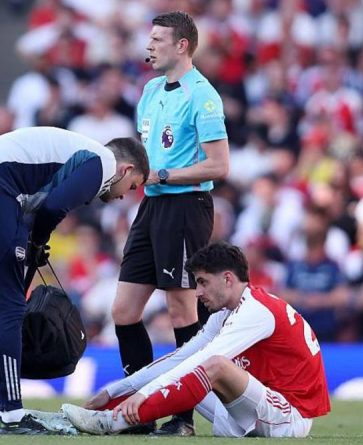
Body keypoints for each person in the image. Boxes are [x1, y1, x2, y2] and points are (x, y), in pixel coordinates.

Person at [0, 126, 149, 435]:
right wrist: (37, 243)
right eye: (132, 186)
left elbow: (42, 203)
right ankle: (12, 415)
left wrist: (31, 242)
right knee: (9, 307)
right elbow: (54, 206)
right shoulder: (103, 161)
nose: (122, 196)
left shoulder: (78, 153)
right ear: (126, 169)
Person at [62, 242, 330, 437]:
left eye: (202, 282)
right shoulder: (228, 311)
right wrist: (115, 391)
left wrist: (142, 395)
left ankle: (112, 422)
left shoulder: (257, 311)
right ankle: (101, 413)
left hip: (287, 418)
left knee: (214, 366)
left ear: (227, 279)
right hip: (253, 409)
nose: (197, 292)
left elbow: (205, 360)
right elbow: (184, 356)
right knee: (191, 362)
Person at [112, 10, 230, 436]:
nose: (150, 46)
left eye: (159, 39)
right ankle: (139, 413)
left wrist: (161, 175)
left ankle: (182, 418)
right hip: (152, 207)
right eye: (150, 39)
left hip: (185, 206)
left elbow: (219, 165)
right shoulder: (149, 91)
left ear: (182, 45)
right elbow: (148, 156)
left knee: (182, 310)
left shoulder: (204, 96)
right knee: (124, 312)